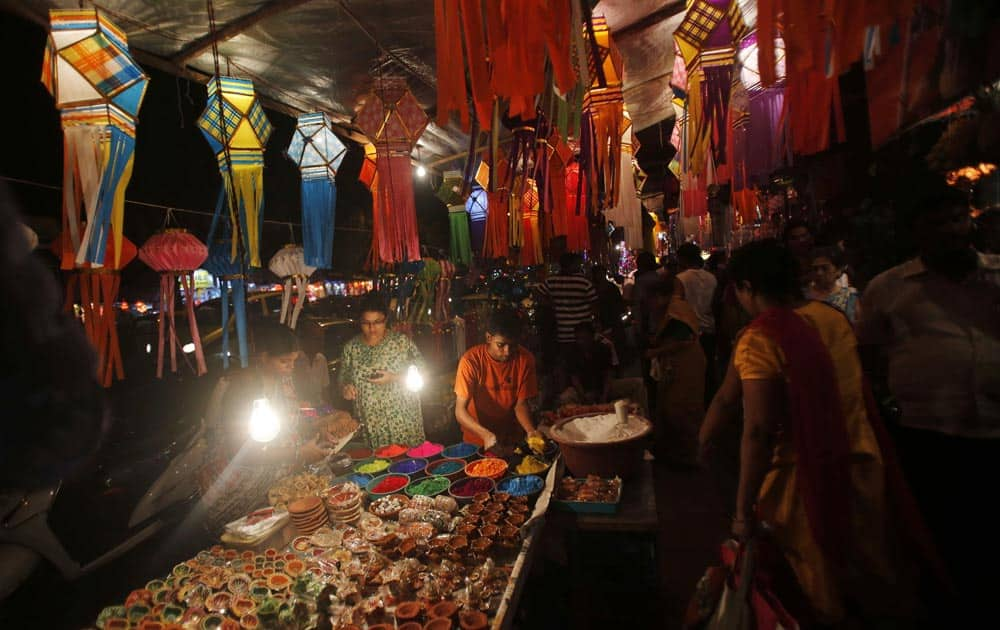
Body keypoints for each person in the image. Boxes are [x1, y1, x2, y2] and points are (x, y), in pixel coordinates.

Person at [700, 240, 926, 625]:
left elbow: (757, 430)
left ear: (748, 287)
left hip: (802, 483)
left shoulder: (760, 338)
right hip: (863, 465)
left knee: (817, 592)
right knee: (868, 576)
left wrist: (740, 510)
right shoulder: (833, 319)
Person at [857, 185, 1000, 618]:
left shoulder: (996, 279)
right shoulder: (890, 289)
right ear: (917, 232)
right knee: (937, 535)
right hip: (926, 434)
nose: (951, 232)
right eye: (938, 223)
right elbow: (868, 355)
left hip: (994, 430)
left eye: (958, 219)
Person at [199, 324, 334, 531]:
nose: (290, 367)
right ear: (263, 357)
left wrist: (317, 431)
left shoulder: (284, 382)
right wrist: (299, 453)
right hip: (242, 479)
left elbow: (294, 418)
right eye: (284, 361)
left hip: (278, 466)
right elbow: (243, 452)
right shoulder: (242, 389)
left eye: (293, 361)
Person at [339, 294, 426, 448]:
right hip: (370, 424)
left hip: (402, 422)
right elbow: (343, 378)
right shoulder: (351, 348)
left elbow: (423, 373)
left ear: (385, 320)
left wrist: (395, 377)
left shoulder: (401, 343)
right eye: (366, 323)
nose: (372, 329)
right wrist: (346, 388)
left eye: (377, 322)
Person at [454, 309, 540, 449]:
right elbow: (460, 410)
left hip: (511, 440)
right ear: (489, 338)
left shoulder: (525, 359)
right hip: (477, 441)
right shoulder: (470, 361)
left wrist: (531, 431)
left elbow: (521, 404)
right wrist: (486, 435)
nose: (507, 352)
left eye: (513, 346)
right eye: (501, 345)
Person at [646, 277, 705, 467]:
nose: (651, 304)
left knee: (682, 409)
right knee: (671, 408)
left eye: (652, 298)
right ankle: (678, 454)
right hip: (677, 364)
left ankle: (691, 457)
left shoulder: (676, 310)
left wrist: (655, 352)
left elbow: (683, 341)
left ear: (661, 296)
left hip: (687, 365)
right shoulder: (673, 307)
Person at [559, 321, 647, 413]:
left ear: (592, 336)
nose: (582, 342)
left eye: (585, 338)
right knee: (566, 397)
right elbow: (574, 378)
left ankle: (641, 418)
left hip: (604, 386)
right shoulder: (572, 352)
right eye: (579, 338)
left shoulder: (603, 349)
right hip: (582, 390)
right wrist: (583, 396)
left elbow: (609, 374)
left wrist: (604, 396)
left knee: (638, 384)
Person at [676, 242, 718, 402]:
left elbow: (677, 306)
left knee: (692, 375)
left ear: (682, 259)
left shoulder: (680, 279)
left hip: (690, 332)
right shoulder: (711, 278)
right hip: (709, 328)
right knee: (708, 372)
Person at [534, 252, 597, 348]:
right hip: (583, 332)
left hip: (563, 332)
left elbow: (537, 294)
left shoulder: (552, 281)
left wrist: (551, 304)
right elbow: (595, 304)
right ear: (573, 265)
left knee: (568, 359)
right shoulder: (584, 282)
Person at [806, 246, 860, 324]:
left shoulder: (849, 296)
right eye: (815, 269)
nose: (819, 273)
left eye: (825, 268)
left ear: (838, 270)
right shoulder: (804, 296)